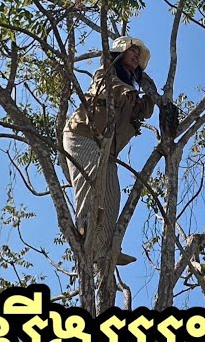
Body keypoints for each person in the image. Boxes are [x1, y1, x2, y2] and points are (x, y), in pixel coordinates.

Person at [63, 35, 156, 268]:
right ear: (119, 52)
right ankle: (86, 225)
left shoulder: (131, 89)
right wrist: (126, 91)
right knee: (92, 177)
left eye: (139, 53)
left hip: (107, 148)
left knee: (113, 192)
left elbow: (144, 111)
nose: (136, 55)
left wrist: (150, 93)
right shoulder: (105, 74)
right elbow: (107, 86)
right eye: (132, 50)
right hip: (82, 134)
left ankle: (105, 249)